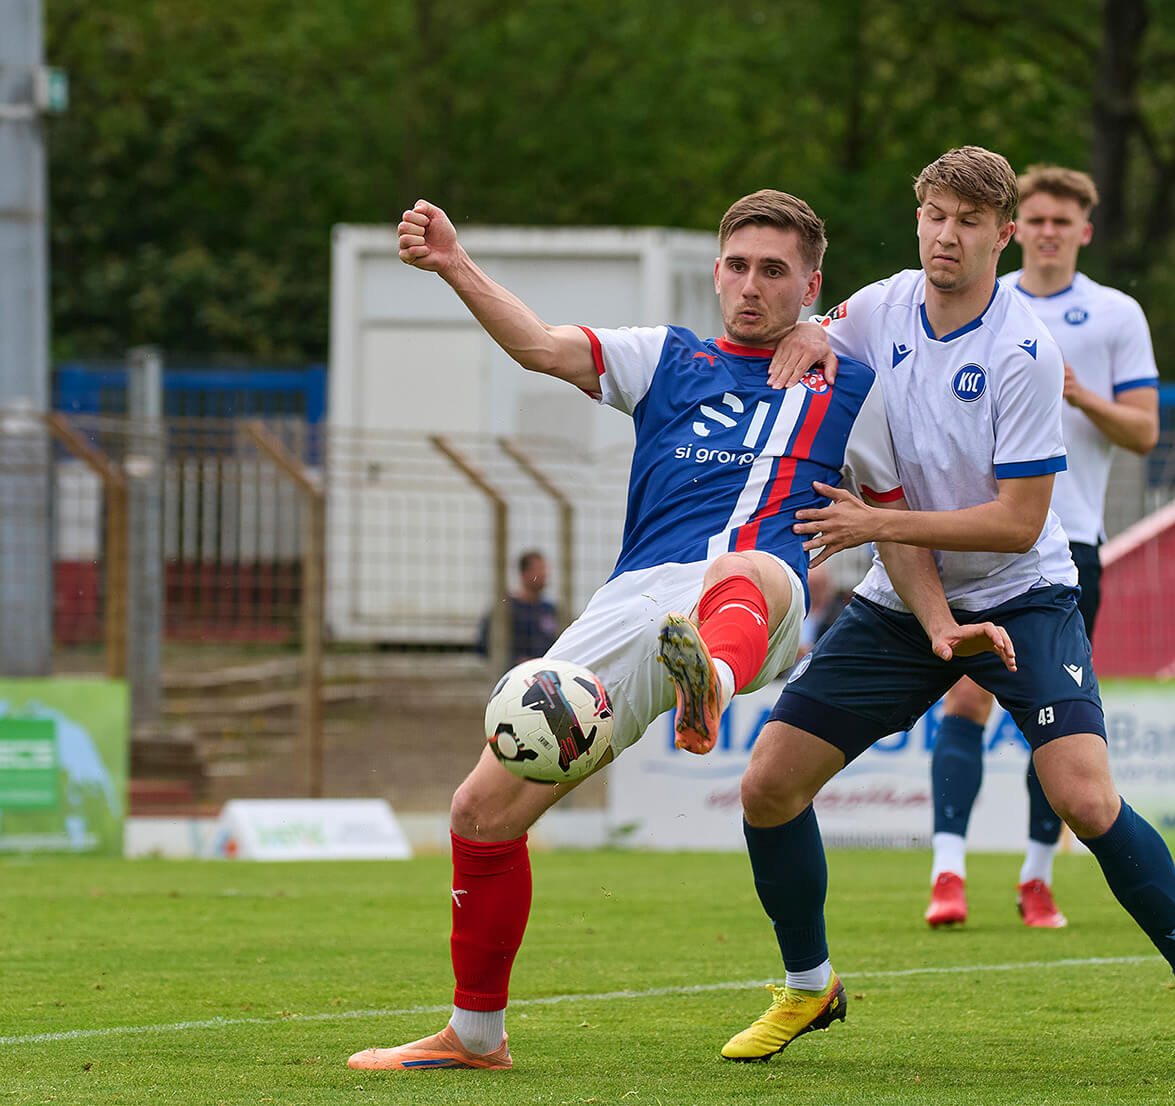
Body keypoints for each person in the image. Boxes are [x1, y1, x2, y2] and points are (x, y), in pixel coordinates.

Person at [347, 189, 1012, 1072]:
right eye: (737, 266)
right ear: (716, 273)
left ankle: (713, 686)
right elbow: (540, 346)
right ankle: (475, 1036)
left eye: (773, 271)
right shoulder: (664, 357)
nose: (751, 286)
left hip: (759, 598)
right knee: (481, 810)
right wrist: (452, 263)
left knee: (743, 568)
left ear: (811, 286)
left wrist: (938, 624)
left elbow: (892, 520)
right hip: (633, 605)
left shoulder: (852, 388)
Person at [721, 147, 1175, 1071]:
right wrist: (805, 333)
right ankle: (809, 986)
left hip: (1024, 592)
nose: (947, 235)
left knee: (1084, 798)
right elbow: (811, 333)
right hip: (903, 597)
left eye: (969, 222)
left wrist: (872, 520)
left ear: (1002, 237)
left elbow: (1017, 524)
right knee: (768, 782)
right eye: (935, 215)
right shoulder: (881, 306)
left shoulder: (1024, 351)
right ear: (918, 217)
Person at [925, 164, 1160, 931]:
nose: (1050, 232)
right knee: (966, 695)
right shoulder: (981, 298)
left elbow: (1145, 431)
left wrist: (1079, 392)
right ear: (1015, 228)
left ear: (1084, 231)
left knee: (1052, 722)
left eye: (1064, 221)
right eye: (1039, 219)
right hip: (974, 533)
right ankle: (947, 872)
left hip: (1069, 542)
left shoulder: (1116, 313)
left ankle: (1036, 876)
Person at [475, 549, 563, 667]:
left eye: (545, 569)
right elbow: (485, 644)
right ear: (524, 573)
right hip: (514, 672)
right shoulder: (506, 609)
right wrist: (515, 660)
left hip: (546, 671)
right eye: (539, 569)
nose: (544, 574)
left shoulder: (549, 610)